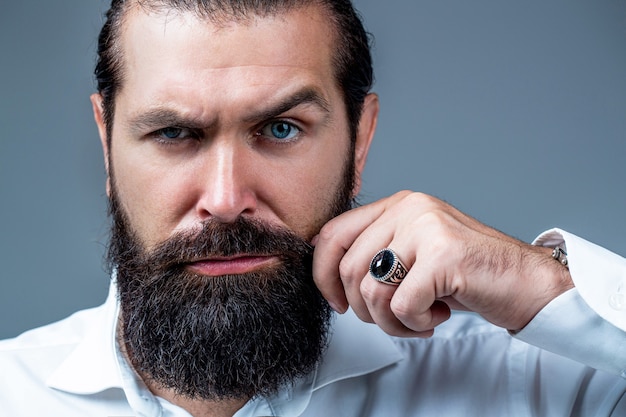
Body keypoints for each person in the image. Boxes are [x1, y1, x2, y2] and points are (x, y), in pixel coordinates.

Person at [1, 0, 625, 416]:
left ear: (360, 141)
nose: (224, 201)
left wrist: (542, 283)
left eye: (279, 130)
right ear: (107, 144)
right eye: (172, 134)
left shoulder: (532, 383)